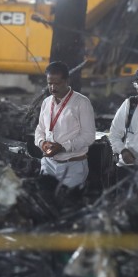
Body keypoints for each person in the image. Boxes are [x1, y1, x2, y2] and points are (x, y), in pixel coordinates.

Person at [34, 60, 96, 189]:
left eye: (57, 83)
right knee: (46, 203)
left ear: (67, 81)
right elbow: (40, 129)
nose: (52, 88)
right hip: (48, 164)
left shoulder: (81, 103)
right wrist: (42, 143)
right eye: (49, 83)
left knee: (69, 205)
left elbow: (89, 136)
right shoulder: (46, 102)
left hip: (72, 166)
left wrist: (63, 147)